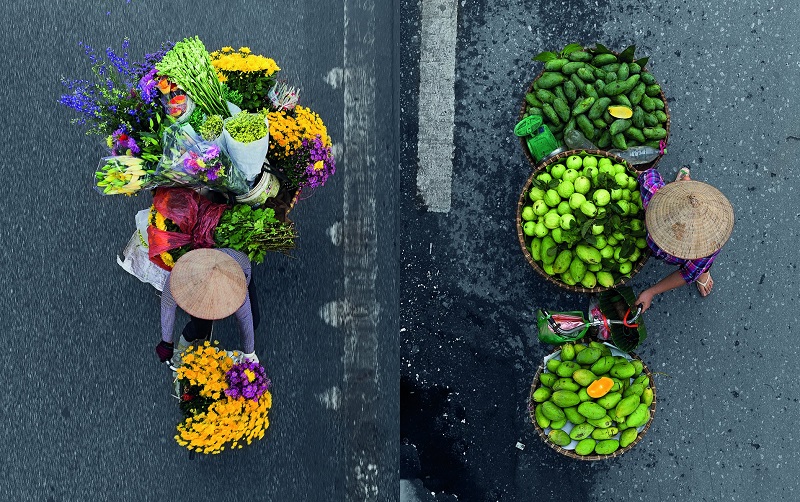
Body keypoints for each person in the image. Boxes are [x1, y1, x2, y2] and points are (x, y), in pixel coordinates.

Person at [634, 166, 734, 312]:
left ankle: (703, 272)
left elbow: (687, 274)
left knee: (700, 268)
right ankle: (684, 182)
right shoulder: (653, 196)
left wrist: (651, 291)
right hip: (659, 207)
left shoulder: (707, 247)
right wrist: (640, 176)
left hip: (699, 257)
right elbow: (648, 176)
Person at [154, 248, 261, 364]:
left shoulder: (238, 285)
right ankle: (188, 335)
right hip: (204, 268)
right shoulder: (180, 275)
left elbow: (245, 318)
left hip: (240, 268)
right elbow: (167, 304)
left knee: (254, 320)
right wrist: (166, 342)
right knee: (200, 328)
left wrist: (249, 353)